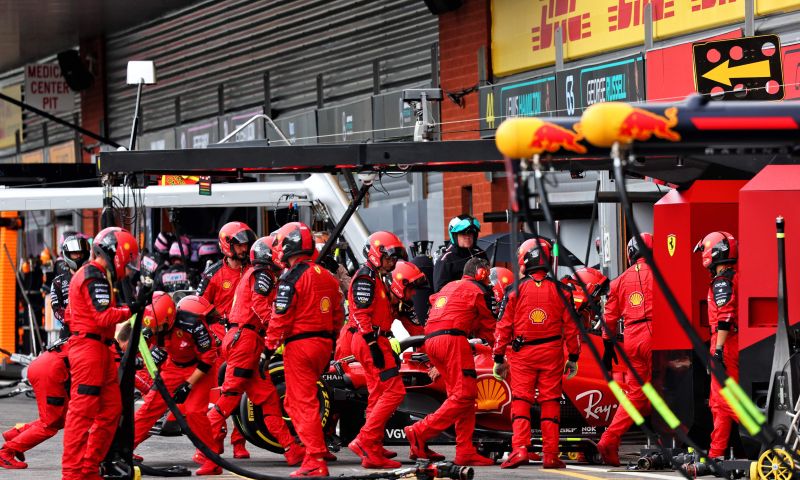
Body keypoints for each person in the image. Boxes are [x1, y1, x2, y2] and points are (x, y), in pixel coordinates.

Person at [207, 236, 305, 467]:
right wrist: (278, 328)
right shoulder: (262, 275)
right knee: (230, 396)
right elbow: (260, 306)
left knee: (269, 399)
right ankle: (204, 449)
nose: (281, 255)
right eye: (277, 251)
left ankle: (291, 449)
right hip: (246, 340)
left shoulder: (259, 274)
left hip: (247, 340)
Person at [493, 238, 580, 469]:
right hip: (552, 352)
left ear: (525, 259)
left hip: (522, 354)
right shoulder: (564, 291)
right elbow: (572, 328)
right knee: (550, 401)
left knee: (521, 399)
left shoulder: (514, 291)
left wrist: (498, 357)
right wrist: (574, 357)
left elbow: (502, 327)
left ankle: (520, 448)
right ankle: (551, 455)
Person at [61, 227, 140, 480]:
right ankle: (74, 474)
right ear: (116, 254)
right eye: (128, 262)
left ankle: (88, 467)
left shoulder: (96, 274)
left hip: (100, 348)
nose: (128, 269)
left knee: (111, 409)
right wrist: (133, 309)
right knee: (81, 414)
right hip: (89, 350)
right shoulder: (93, 275)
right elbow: (102, 316)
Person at [266, 222, 344, 477]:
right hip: (323, 345)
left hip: (300, 345)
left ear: (288, 246)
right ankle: (316, 448)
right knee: (293, 402)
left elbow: (281, 316)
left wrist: (268, 348)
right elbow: (337, 315)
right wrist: (331, 342)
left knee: (302, 403)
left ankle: (314, 458)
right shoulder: (327, 276)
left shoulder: (292, 277)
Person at [404, 257, 496, 467]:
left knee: (462, 396)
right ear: (480, 273)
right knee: (464, 395)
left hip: (432, 342)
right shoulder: (477, 291)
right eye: (488, 274)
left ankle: (465, 451)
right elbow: (490, 328)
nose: (489, 279)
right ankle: (419, 431)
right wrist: (503, 352)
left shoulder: (449, 288)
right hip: (453, 340)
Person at [133, 294, 221, 475]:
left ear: (169, 318)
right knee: (149, 407)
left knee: (194, 412)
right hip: (173, 368)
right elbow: (136, 345)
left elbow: (208, 358)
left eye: (158, 326)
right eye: (152, 327)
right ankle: (124, 448)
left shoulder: (194, 325)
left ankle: (212, 461)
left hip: (199, 370)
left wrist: (188, 385)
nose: (155, 330)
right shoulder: (153, 327)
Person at [346, 232, 409, 469]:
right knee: (394, 392)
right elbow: (361, 313)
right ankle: (365, 440)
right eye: (390, 257)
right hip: (369, 340)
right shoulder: (365, 278)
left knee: (377, 393)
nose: (393, 262)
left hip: (371, 339)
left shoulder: (374, 277)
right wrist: (373, 345)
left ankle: (372, 445)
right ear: (376, 254)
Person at [197, 221, 257, 459]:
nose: (244, 249)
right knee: (219, 394)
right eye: (240, 245)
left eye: (246, 245)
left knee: (241, 393)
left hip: (247, 339)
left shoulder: (255, 270)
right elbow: (197, 308)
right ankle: (214, 443)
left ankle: (239, 443)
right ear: (227, 245)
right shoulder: (212, 274)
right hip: (219, 341)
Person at [596, 233, 654, 467]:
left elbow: (609, 317)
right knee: (667, 390)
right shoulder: (660, 274)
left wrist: (608, 347)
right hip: (656, 335)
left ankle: (610, 439)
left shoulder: (619, 281)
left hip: (630, 338)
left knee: (635, 395)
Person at [694, 231, 740, 460]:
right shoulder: (732, 278)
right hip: (727, 342)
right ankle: (716, 454)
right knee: (718, 403)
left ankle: (769, 437)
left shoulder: (722, 282)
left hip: (726, 343)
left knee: (726, 402)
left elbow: (726, 317)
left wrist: (719, 351)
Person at [433, 215, 487, 292]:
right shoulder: (446, 260)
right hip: (459, 301)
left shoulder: (481, 254)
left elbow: (490, 278)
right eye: (463, 233)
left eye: (471, 233)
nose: (468, 236)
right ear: (454, 235)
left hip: (482, 299)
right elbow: (440, 290)